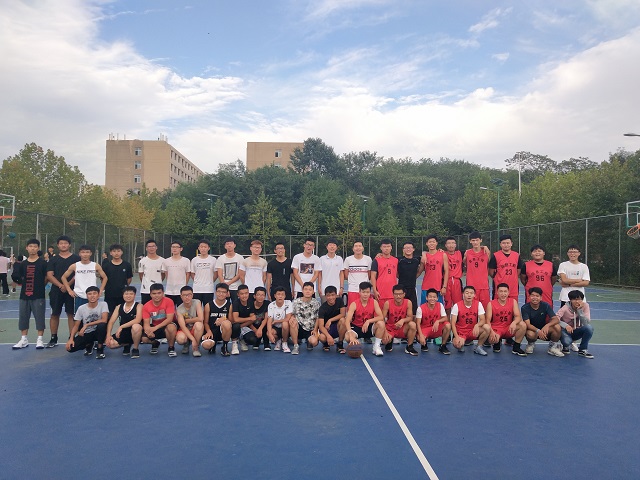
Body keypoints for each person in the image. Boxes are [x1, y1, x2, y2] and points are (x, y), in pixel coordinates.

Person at [12, 239, 48, 350]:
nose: (33, 248)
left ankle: (40, 339)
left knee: (39, 317)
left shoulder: (43, 263)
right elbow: (19, 277)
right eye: (30, 246)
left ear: (38, 248)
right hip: (24, 295)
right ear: (27, 248)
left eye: (35, 246)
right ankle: (24, 339)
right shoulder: (23, 264)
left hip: (38, 295)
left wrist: (40, 286)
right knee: (23, 317)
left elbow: (46, 277)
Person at [46, 235, 80, 347]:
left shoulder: (76, 259)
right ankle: (53, 338)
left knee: (71, 314)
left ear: (69, 245)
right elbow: (50, 275)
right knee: (55, 314)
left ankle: (72, 337)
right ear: (58, 245)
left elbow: (77, 274)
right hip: (56, 290)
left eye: (65, 243)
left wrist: (67, 285)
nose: (63, 245)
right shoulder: (53, 259)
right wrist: (61, 285)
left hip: (72, 290)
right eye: (61, 243)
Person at [65, 286, 109, 359]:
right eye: (89, 294)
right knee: (70, 348)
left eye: (94, 293)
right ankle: (89, 344)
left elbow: (104, 320)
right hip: (87, 333)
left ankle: (100, 348)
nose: (92, 296)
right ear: (86, 296)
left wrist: (87, 325)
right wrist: (71, 339)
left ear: (98, 295)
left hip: (99, 332)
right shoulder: (81, 308)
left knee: (102, 325)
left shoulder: (103, 304)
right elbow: (76, 326)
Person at [61, 244, 108, 312]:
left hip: (92, 295)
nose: (85, 254)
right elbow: (63, 277)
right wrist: (69, 290)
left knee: (93, 316)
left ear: (90, 253)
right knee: (79, 316)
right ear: (79, 254)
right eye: (83, 252)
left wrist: (101, 290)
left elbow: (105, 277)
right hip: (79, 295)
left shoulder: (95, 265)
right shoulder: (75, 266)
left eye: (87, 252)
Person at [345, 281, 385, 356]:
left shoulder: (374, 302)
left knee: (381, 324)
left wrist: (368, 321)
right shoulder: (354, 304)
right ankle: (356, 344)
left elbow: (381, 317)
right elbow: (347, 320)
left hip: (369, 327)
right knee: (347, 337)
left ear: (370, 293)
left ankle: (376, 347)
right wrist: (350, 334)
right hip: (357, 327)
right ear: (359, 292)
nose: (365, 294)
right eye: (363, 292)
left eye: (367, 292)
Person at [521, 287, 564, 357]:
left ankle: (553, 347)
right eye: (532, 295)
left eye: (537, 296)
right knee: (530, 334)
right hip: (533, 330)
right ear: (529, 297)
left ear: (541, 298)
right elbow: (528, 324)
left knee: (557, 327)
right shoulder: (524, 308)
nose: (535, 298)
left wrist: (547, 325)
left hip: (544, 329)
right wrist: (538, 331)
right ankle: (531, 343)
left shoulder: (545, 305)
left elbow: (556, 319)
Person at [486, 283, 527, 356]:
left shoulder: (513, 301)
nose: (503, 294)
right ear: (497, 292)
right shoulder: (491, 303)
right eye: (501, 291)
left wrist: (514, 322)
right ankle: (496, 343)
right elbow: (487, 321)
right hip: (496, 329)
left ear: (508, 292)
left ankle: (516, 347)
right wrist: (491, 332)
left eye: (505, 291)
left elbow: (518, 317)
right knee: (494, 342)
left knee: (522, 325)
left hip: (509, 328)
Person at [450, 286, 491, 355]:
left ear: (474, 295)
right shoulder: (457, 305)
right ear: (463, 294)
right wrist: (456, 337)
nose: (469, 295)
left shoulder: (478, 304)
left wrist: (477, 325)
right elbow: (453, 323)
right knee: (458, 344)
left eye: (471, 293)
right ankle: (462, 343)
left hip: (472, 331)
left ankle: (479, 347)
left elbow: (483, 320)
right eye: (467, 293)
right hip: (461, 332)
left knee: (487, 328)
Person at [104, 285, 143, 358]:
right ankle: (127, 344)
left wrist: (121, 326)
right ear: (123, 295)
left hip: (136, 331)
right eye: (126, 294)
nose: (128, 296)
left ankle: (135, 348)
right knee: (110, 344)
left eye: (131, 294)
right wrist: (108, 335)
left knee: (136, 327)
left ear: (135, 295)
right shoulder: (119, 307)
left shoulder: (139, 306)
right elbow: (111, 322)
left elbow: (137, 320)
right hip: (124, 332)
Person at [140, 283, 177, 357]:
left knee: (171, 327)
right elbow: (146, 323)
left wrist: (155, 328)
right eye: (154, 293)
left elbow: (169, 319)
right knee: (144, 339)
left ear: (163, 293)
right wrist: (148, 332)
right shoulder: (146, 306)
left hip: (167, 325)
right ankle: (155, 343)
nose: (156, 295)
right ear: (150, 294)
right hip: (155, 325)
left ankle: (171, 347)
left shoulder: (169, 301)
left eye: (159, 293)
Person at [381, 284, 417, 355]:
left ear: (404, 294)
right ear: (393, 294)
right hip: (390, 328)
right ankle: (390, 341)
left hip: (402, 328)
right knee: (385, 341)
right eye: (396, 294)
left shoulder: (408, 302)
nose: (398, 296)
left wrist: (403, 320)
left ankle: (409, 346)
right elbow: (382, 319)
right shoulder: (388, 303)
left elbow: (410, 317)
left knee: (413, 325)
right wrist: (385, 332)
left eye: (400, 294)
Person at [557, 290, 594, 358]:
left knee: (589, 328)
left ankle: (582, 350)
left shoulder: (585, 306)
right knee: (567, 342)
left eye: (579, 299)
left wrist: (579, 310)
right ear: (570, 300)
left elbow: (586, 323)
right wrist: (566, 326)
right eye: (574, 299)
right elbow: (555, 319)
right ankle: (564, 345)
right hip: (565, 331)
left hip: (576, 330)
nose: (577, 301)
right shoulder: (565, 308)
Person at [488, 234, 524, 302]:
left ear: (511, 243)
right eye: (504, 243)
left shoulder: (516, 255)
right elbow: (491, 271)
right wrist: (497, 277)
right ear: (500, 244)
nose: (506, 245)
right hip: (499, 286)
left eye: (508, 243)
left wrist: (513, 276)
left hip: (513, 287)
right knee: (497, 305)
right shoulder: (495, 256)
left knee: (513, 305)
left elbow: (518, 270)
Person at [416, 288, 452, 355]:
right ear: (426, 298)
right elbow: (418, 323)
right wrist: (421, 335)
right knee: (419, 337)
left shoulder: (440, 305)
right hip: (425, 328)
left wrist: (438, 321)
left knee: (448, 325)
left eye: (434, 297)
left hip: (437, 328)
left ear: (437, 298)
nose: (432, 299)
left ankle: (443, 346)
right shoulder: (420, 308)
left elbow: (445, 318)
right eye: (430, 297)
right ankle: (424, 344)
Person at [202, 283, 233, 356]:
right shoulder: (208, 305)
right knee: (206, 345)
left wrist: (224, 319)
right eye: (219, 291)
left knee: (227, 324)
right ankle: (213, 344)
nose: (221, 294)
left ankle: (224, 347)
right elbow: (205, 322)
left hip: (222, 331)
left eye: (223, 292)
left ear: (227, 294)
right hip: (212, 331)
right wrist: (208, 331)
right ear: (215, 292)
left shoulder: (229, 305)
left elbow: (231, 320)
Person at [101, 243, 133, 315]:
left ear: (122, 252)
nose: (116, 253)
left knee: (124, 315)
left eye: (118, 251)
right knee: (109, 316)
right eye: (114, 251)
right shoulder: (106, 266)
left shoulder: (127, 265)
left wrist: (124, 287)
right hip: (109, 295)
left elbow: (129, 278)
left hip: (123, 295)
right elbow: (103, 279)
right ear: (110, 253)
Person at [289, 282, 320, 354]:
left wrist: (315, 330)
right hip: (299, 327)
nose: (307, 291)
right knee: (293, 322)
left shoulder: (316, 303)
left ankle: (309, 341)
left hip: (310, 328)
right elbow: (291, 314)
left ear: (313, 292)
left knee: (314, 342)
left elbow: (318, 318)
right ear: (302, 291)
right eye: (306, 289)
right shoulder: (296, 302)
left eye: (310, 290)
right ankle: (296, 345)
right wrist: (292, 318)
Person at [175, 285, 204, 357]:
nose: (187, 297)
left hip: (195, 328)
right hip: (186, 329)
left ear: (192, 295)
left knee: (199, 325)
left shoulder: (197, 302)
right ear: (181, 296)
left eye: (189, 295)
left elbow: (200, 318)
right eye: (184, 295)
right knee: (180, 339)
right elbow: (183, 326)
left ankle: (196, 348)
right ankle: (186, 344)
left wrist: (187, 321)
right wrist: (192, 339)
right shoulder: (179, 309)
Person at [419, 235, 449, 305]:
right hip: (426, 286)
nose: (431, 243)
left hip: (438, 287)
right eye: (430, 242)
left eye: (433, 242)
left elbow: (446, 271)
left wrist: (444, 287)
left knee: (439, 308)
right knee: (424, 307)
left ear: (436, 243)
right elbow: (420, 271)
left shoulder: (443, 255)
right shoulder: (424, 256)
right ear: (427, 243)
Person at [317, 285, 346, 353]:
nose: (331, 298)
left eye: (333, 295)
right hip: (327, 328)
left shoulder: (339, 301)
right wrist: (328, 336)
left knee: (343, 320)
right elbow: (321, 326)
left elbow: (343, 314)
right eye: (328, 296)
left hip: (337, 326)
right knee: (322, 337)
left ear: (336, 295)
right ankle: (326, 344)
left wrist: (330, 320)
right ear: (325, 296)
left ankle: (340, 344)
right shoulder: (322, 308)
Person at [215, 237, 245, 302]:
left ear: (234, 245)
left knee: (236, 305)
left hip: (236, 287)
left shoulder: (240, 258)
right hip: (224, 288)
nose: (229, 245)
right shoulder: (220, 258)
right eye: (227, 244)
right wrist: (225, 287)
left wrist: (229, 283)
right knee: (225, 306)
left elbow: (239, 274)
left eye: (231, 243)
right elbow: (219, 274)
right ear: (225, 246)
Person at [371, 239, 399, 309]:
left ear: (391, 247)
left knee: (392, 313)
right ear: (381, 248)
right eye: (384, 247)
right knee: (380, 314)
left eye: (388, 246)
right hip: (380, 293)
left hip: (393, 293)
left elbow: (398, 274)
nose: (386, 248)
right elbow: (373, 276)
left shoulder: (396, 260)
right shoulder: (376, 260)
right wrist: (374, 290)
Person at [161, 241, 191, 307]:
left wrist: (184, 285)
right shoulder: (166, 261)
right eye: (173, 247)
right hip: (169, 291)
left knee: (181, 310)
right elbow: (166, 274)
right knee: (170, 310)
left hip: (181, 291)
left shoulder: (186, 260)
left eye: (177, 247)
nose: (174, 249)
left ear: (181, 249)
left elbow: (188, 274)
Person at [343, 241, 372, 305]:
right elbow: (346, 275)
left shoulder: (368, 259)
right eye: (356, 246)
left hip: (365, 290)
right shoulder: (348, 259)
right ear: (353, 249)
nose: (358, 248)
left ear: (363, 248)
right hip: (352, 289)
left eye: (360, 246)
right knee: (352, 308)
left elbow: (369, 274)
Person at [266, 286, 293, 353]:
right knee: (269, 333)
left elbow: (288, 318)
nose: (280, 296)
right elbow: (269, 320)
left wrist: (276, 321)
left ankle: (284, 342)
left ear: (285, 296)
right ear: (275, 296)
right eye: (278, 294)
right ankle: (278, 340)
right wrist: (270, 334)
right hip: (276, 328)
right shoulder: (271, 305)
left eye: (282, 294)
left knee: (285, 323)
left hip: (287, 328)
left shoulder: (288, 303)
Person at [190, 239, 217, 307]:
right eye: (201, 247)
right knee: (196, 308)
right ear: (199, 248)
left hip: (208, 289)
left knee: (208, 308)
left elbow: (216, 274)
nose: (203, 249)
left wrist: (210, 281)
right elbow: (192, 273)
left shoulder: (213, 260)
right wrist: (197, 281)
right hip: (197, 289)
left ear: (208, 248)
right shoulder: (194, 260)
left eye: (205, 247)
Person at [397, 241, 421, 314]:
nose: (408, 249)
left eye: (410, 248)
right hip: (401, 289)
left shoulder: (417, 260)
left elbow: (427, 255)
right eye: (406, 248)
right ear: (403, 250)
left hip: (412, 289)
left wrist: (414, 277)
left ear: (413, 249)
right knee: (401, 310)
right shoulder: (399, 260)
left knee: (414, 311)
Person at [138, 239, 165, 305]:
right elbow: (141, 275)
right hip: (145, 290)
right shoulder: (142, 261)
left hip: (158, 290)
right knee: (146, 308)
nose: (151, 248)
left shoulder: (163, 260)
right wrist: (146, 284)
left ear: (156, 247)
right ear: (146, 248)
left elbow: (163, 275)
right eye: (149, 246)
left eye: (153, 246)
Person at [231, 284, 255, 355]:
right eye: (242, 294)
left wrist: (241, 326)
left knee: (252, 340)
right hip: (235, 326)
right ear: (238, 294)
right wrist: (249, 318)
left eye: (246, 293)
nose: (244, 296)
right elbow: (235, 319)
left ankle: (242, 340)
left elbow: (253, 319)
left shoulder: (251, 302)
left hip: (244, 326)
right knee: (235, 326)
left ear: (248, 293)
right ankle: (234, 343)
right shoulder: (235, 303)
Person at [318, 238, 344, 303]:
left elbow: (341, 274)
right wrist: (319, 287)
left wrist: (341, 287)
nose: (332, 247)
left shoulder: (339, 259)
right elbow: (320, 274)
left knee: (336, 308)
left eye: (334, 245)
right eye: (330, 245)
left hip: (337, 289)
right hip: (324, 289)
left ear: (336, 247)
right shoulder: (322, 259)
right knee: (325, 307)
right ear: (327, 247)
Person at [443, 237, 463, 316]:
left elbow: (475, 248)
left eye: (453, 243)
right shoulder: (442, 254)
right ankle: (447, 321)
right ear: (445, 245)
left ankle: (457, 321)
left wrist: (484, 247)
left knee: (458, 304)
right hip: (446, 281)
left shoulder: (460, 253)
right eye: (449, 243)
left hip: (456, 281)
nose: (451, 245)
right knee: (447, 304)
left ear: (455, 245)